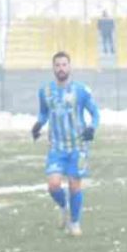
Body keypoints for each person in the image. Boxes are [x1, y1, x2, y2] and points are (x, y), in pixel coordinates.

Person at [30, 51, 100, 236]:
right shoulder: (45, 91)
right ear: (53, 68)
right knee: (53, 185)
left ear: (69, 67)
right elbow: (44, 113)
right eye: (57, 65)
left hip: (78, 147)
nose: (61, 68)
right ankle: (64, 206)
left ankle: (74, 223)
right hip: (57, 147)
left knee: (74, 186)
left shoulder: (81, 90)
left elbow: (95, 113)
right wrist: (38, 124)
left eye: (64, 64)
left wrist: (92, 128)